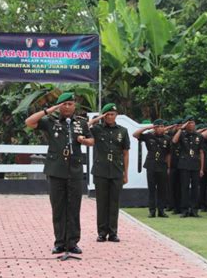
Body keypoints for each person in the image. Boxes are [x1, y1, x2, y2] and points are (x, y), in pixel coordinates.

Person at [25, 92, 94, 254]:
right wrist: (48, 110)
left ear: (74, 106)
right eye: (64, 104)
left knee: (74, 207)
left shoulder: (81, 123)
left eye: (70, 104)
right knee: (58, 207)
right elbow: (29, 122)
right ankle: (60, 242)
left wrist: (84, 141)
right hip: (56, 171)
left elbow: (92, 141)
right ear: (59, 106)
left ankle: (73, 242)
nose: (68, 107)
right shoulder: (50, 121)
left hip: (75, 171)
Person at [88, 103, 130, 242]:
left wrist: (125, 173)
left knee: (114, 203)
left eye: (113, 114)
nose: (110, 117)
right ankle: (101, 232)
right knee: (102, 203)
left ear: (116, 115)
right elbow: (84, 127)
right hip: (101, 171)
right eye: (108, 114)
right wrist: (98, 118)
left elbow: (125, 153)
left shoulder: (122, 131)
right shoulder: (97, 129)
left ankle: (113, 232)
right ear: (104, 116)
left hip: (117, 171)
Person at [133, 119, 171, 218]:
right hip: (151, 165)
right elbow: (135, 134)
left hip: (162, 166)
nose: (161, 128)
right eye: (158, 126)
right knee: (152, 189)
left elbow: (168, 154)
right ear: (154, 127)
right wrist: (147, 127)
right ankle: (152, 210)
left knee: (162, 189)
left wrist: (168, 167)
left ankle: (161, 210)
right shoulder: (149, 136)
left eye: (162, 126)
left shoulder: (167, 138)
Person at [172, 116, 205, 217]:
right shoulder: (182, 134)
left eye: (193, 123)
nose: (192, 125)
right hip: (184, 165)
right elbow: (174, 141)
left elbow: (201, 152)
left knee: (195, 188)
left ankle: (194, 210)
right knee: (184, 188)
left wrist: (202, 168)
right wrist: (182, 128)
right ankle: (184, 210)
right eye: (189, 123)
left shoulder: (199, 136)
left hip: (195, 165)